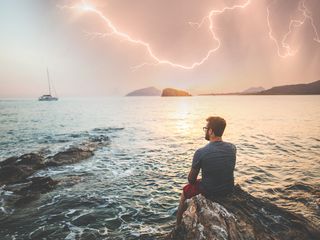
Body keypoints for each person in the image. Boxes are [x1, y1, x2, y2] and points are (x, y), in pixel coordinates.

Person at [176, 116, 237, 225]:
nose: (205, 131)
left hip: (210, 191)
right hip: (228, 189)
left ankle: (177, 225)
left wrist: (200, 181)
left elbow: (191, 180)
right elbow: (222, 168)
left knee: (185, 192)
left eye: (206, 129)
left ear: (211, 131)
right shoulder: (232, 148)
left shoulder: (201, 152)